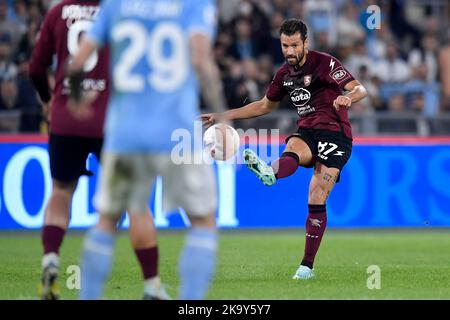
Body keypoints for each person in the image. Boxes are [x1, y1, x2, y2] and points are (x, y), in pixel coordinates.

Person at [67, 0, 227, 299]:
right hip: (177, 133)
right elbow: (200, 59)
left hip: (125, 134)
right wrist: (222, 112)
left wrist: (76, 99)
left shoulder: (116, 5)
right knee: (203, 220)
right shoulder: (193, 4)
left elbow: (76, 63)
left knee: (106, 221)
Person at [202, 18, 368, 280]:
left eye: (294, 45)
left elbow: (360, 87)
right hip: (307, 132)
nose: (289, 51)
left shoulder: (325, 63)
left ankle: (306, 267)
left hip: (336, 136)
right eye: (284, 45)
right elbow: (263, 106)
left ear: (305, 43)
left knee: (316, 195)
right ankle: (270, 173)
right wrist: (223, 115)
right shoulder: (284, 75)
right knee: (293, 146)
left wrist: (349, 97)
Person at [29, 0, 169, 300]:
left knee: (61, 191)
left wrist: (47, 100)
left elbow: (36, 67)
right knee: (136, 203)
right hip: (111, 122)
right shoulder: (120, 12)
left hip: (66, 120)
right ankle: (152, 286)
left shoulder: (58, 12)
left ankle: (51, 260)